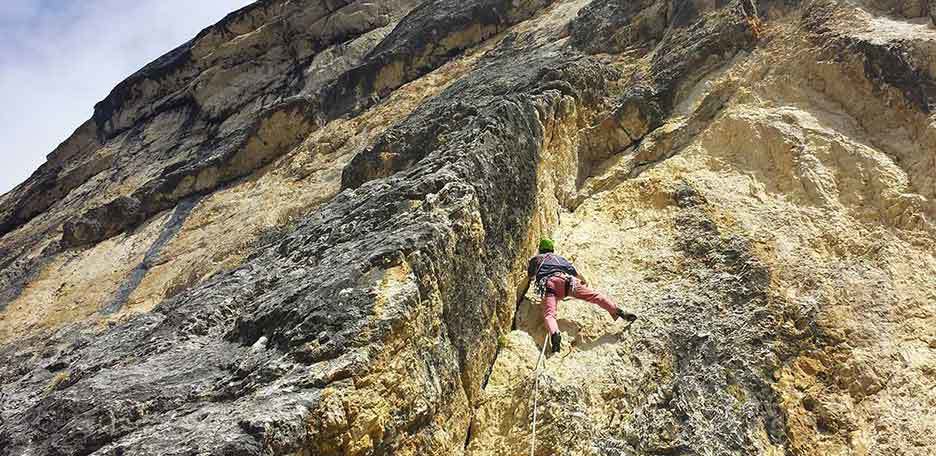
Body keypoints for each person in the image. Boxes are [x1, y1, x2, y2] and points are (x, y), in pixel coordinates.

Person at [516, 238, 637, 353]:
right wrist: (583, 281)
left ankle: (555, 335)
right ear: (552, 249)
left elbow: (530, 276)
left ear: (540, 250)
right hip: (568, 283)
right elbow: (574, 271)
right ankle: (618, 311)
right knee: (595, 296)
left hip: (550, 286)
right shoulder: (559, 258)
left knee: (549, 315)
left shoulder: (536, 259)